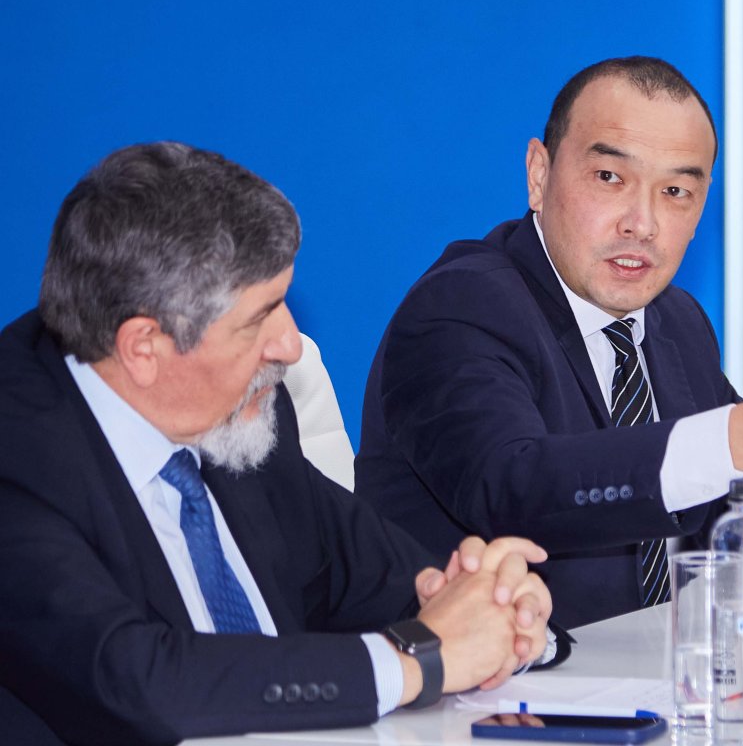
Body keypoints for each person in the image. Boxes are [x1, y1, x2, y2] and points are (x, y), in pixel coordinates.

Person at [0, 142, 553, 746]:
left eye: (284, 300)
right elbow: (135, 682)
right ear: (143, 347)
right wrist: (417, 660)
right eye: (258, 318)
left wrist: (495, 607)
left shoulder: (245, 414)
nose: (290, 346)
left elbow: (384, 575)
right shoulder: (18, 456)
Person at [357, 56, 743, 629]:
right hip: (486, 672)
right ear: (539, 175)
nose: (642, 223)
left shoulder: (674, 319)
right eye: (609, 177)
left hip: (652, 668)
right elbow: (516, 489)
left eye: (675, 190)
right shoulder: (461, 305)